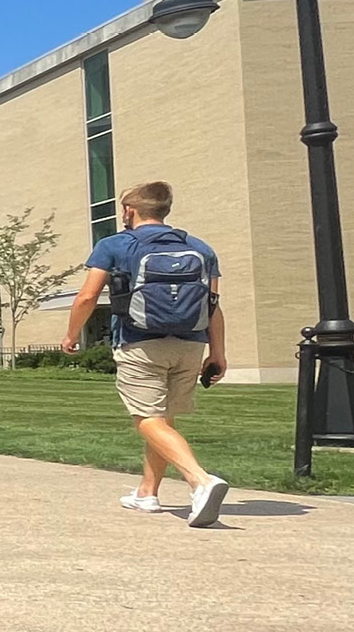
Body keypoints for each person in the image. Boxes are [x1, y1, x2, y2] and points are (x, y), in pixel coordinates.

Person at [59, 179, 228, 526]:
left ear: (129, 211)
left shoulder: (115, 246)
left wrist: (72, 334)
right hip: (191, 344)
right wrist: (218, 353)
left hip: (140, 342)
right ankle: (147, 494)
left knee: (147, 419)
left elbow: (88, 297)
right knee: (163, 420)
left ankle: (200, 480)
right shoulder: (200, 248)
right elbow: (213, 305)